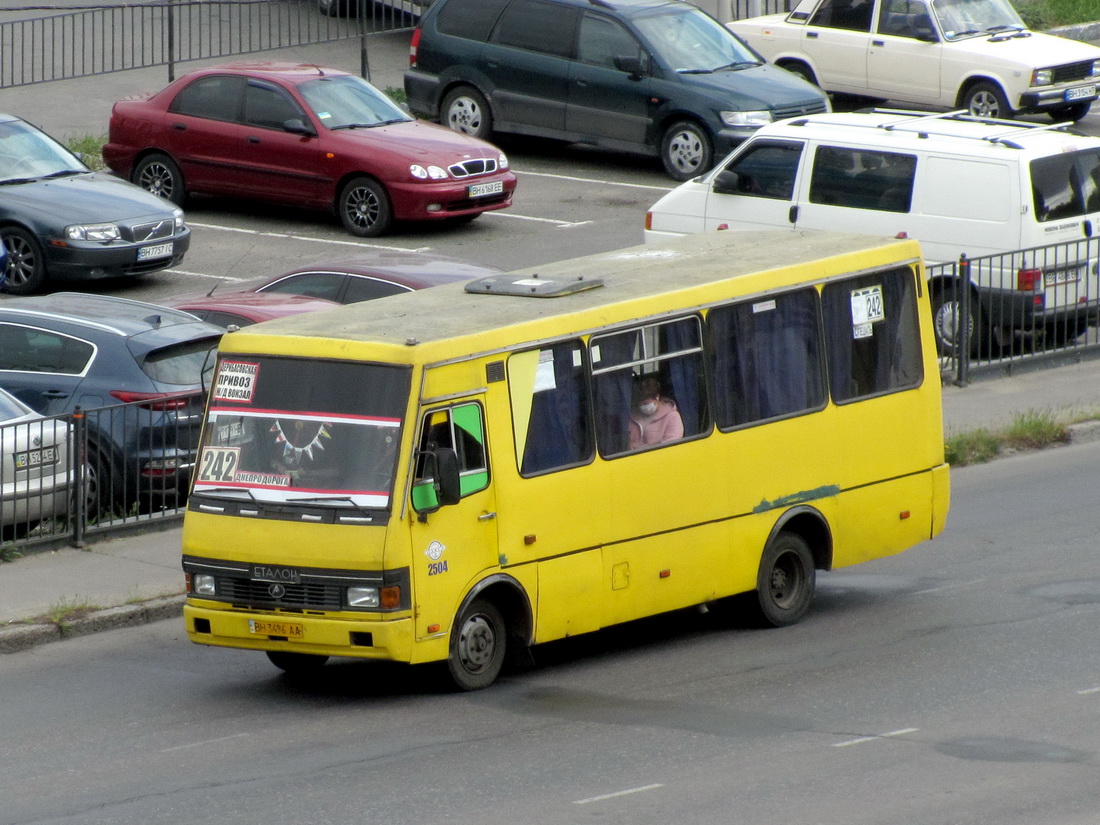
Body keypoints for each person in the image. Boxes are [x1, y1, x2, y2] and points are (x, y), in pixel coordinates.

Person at [628, 375, 684, 450]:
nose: (643, 407)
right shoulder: (632, 417)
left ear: (657, 397)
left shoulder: (672, 417)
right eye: (640, 404)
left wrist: (639, 448)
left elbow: (671, 446)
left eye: (646, 404)